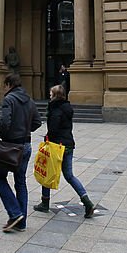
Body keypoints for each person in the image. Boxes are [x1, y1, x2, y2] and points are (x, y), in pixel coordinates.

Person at [34, 84, 95, 218]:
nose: (49, 96)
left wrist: (48, 137)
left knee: (47, 172)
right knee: (69, 175)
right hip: (68, 144)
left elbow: (54, 128)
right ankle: (86, 201)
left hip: (57, 145)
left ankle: (45, 203)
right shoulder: (67, 107)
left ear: (55, 95)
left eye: (51, 94)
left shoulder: (56, 109)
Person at [0, 73, 41, 232]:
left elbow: (5, 122)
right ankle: (21, 222)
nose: (3, 89)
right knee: (20, 181)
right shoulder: (29, 100)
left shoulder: (9, 99)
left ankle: (15, 214)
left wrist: (2, 134)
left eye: (4, 85)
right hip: (25, 145)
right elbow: (37, 122)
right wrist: (25, 131)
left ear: (9, 84)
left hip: (11, 146)